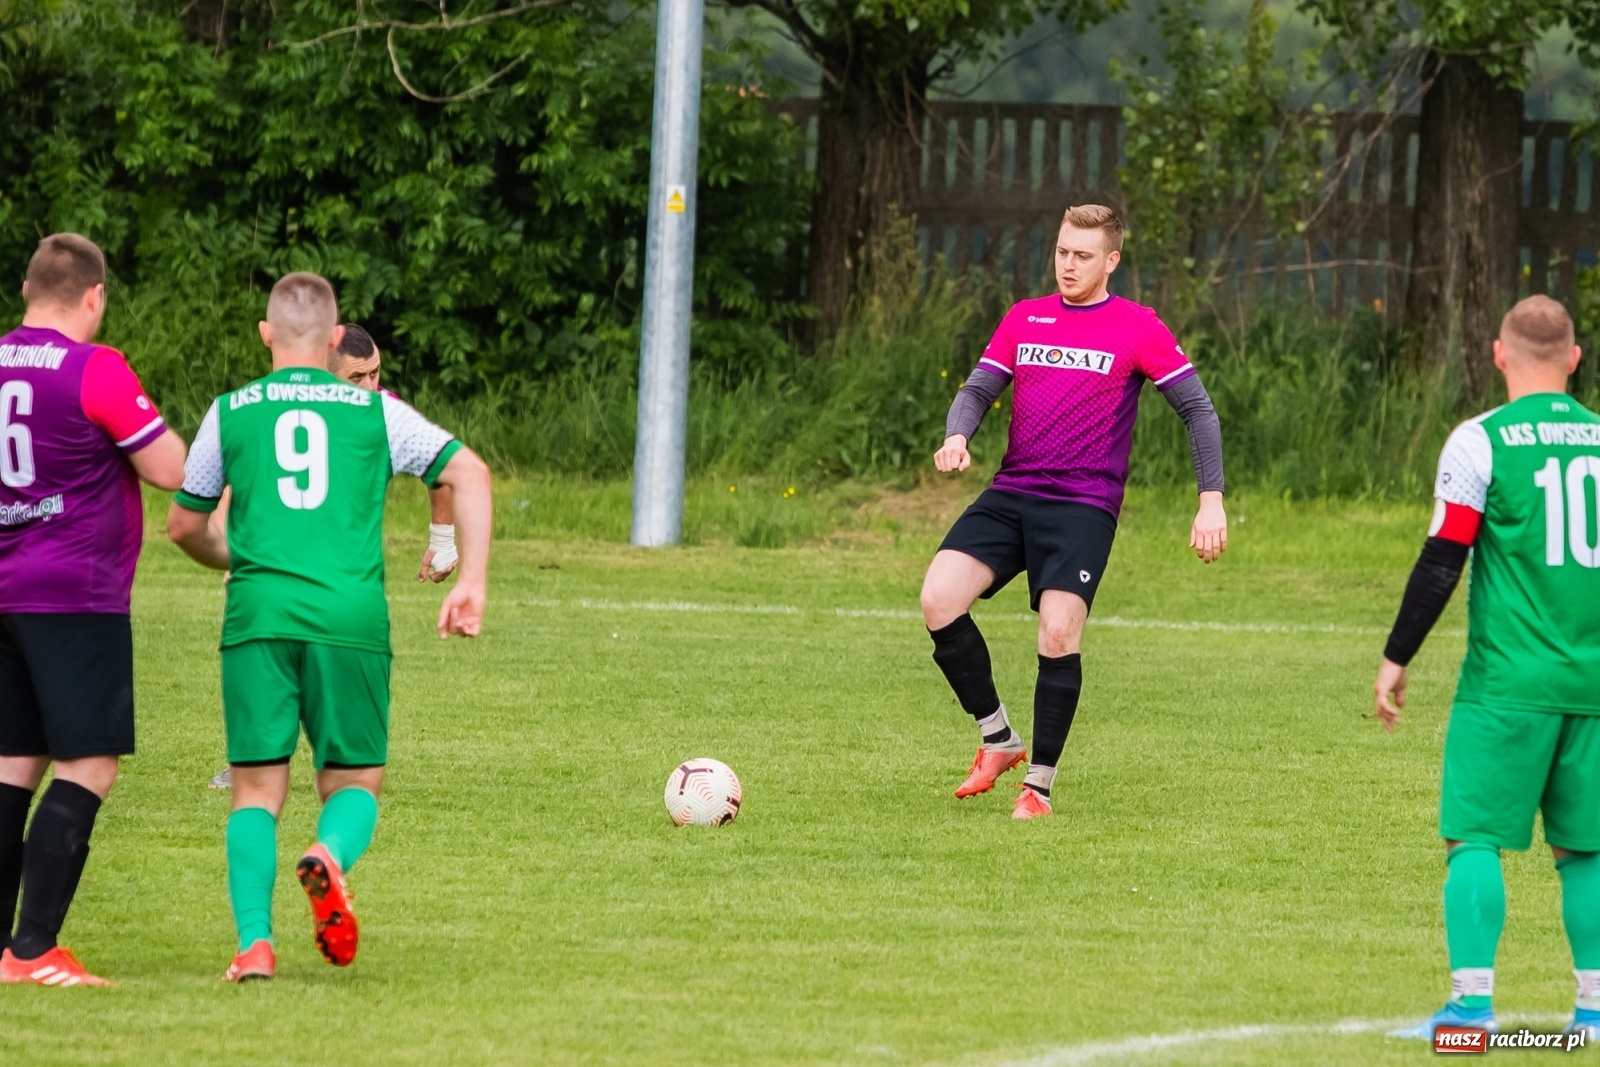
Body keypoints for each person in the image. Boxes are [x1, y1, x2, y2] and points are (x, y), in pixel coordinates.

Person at [167, 272, 492, 982]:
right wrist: (469, 577)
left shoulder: (229, 411)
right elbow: (468, 472)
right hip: (350, 617)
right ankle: (329, 856)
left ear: (266, 332)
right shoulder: (378, 413)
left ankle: (255, 944)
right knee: (352, 783)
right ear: (336, 335)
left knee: (255, 789)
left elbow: (186, 524)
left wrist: (238, 552)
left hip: (258, 614)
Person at [919, 204, 1227, 820]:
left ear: (1111, 260)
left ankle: (1038, 788)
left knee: (1059, 631)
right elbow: (979, 387)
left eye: (1083, 255)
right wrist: (959, 436)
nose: (1068, 264)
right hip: (1013, 493)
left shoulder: (1138, 327)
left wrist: (1210, 500)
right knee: (938, 598)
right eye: (1062, 251)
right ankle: (999, 738)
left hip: (1084, 504)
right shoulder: (1025, 317)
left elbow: (1198, 411)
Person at [1376, 295, 1600, 1041]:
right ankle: (1594, 1011)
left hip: (1507, 685)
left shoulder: (1481, 443)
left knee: (1472, 835)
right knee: (1586, 847)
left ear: (1500, 355)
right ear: (1573, 358)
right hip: (1593, 686)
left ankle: (1472, 1006)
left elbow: (1445, 558)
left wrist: (1397, 655)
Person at [0, 234, 188, 986]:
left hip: (7, 588)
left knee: (12, 766)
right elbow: (172, 468)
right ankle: (35, 949)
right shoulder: (94, 368)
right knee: (90, 765)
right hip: (75, 591)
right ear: (95, 296)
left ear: (24, 289)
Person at [204, 322, 455, 791]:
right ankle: (253, 763)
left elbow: (443, 470)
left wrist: (443, 537)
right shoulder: (275, 405)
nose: (372, 387)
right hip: (277, 562)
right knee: (272, 655)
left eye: (376, 374)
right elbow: (235, 483)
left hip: (339, 573)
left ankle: (342, 764)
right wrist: (235, 552)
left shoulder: (383, 411)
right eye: (357, 378)